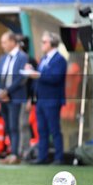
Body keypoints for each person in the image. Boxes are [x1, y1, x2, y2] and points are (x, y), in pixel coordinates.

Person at [25, 31, 67, 165]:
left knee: (54, 130)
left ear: (52, 43)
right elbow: (40, 76)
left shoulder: (59, 59)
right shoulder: (44, 58)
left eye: (44, 42)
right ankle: (42, 157)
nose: (42, 44)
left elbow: (55, 78)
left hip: (52, 100)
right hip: (41, 99)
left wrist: (37, 75)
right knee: (41, 130)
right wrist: (32, 70)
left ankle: (59, 158)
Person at [0, 32, 28, 164]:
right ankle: (11, 152)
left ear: (13, 42)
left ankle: (16, 154)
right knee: (8, 126)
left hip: (16, 97)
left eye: (4, 42)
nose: (2, 45)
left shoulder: (23, 57)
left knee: (15, 126)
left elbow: (21, 78)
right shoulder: (2, 58)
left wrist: (7, 91)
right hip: (3, 98)